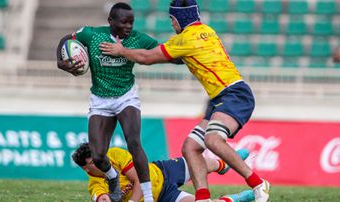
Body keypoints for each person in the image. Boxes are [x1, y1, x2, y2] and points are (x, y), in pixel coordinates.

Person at [99, 0, 270, 201]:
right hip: (222, 97)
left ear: (179, 18)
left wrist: (122, 52)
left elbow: (147, 58)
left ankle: (258, 183)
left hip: (233, 94)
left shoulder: (185, 39)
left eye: (172, 19)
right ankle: (203, 197)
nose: (172, 24)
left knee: (212, 140)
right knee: (190, 147)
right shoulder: (206, 30)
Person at [56, 3, 159, 202]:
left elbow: (163, 51)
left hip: (126, 97)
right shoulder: (92, 35)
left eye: (131, 22)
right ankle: (112, 177)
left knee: (134, 142)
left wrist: (185, 54)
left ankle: (147, 196)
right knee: (98, 156)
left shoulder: (138, 38)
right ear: (110, 21)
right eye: (124, 22)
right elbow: (66, 39)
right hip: (100, 100)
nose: (129, 26)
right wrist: (61, 61)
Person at [72, 142, 255, 202]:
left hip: (161, 171)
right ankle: (236, 199)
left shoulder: (114, 154)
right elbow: (101, 197)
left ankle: (223, 164)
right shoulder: (95, 185)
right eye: (94, 162)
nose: (100, 161)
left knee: (198, 163)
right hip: (163, 196)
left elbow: (137, 180)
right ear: (85, 168)